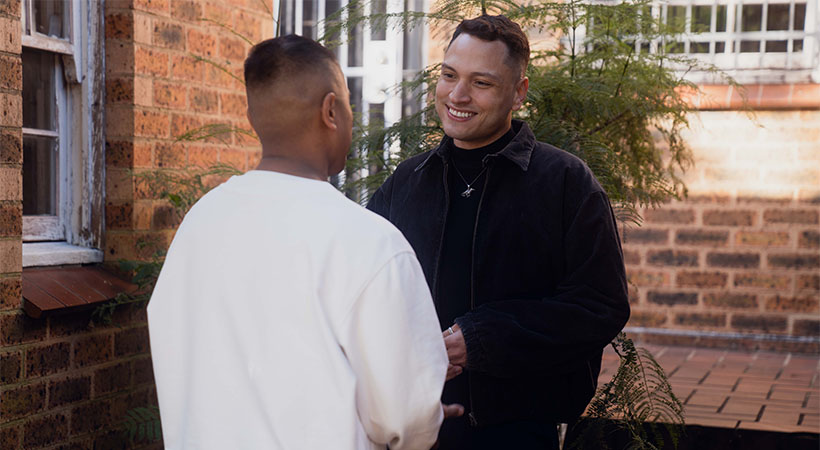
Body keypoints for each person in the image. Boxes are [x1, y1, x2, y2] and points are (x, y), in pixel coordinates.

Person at [147, 35, 454, 450]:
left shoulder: (198, 225)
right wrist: (428, 420)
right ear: (331, 110)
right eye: (347, 103)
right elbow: (406, 419)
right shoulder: (369, 243)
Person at [367, 15, 631, 449]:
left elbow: (600, 306)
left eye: (481, 83)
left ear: (519, 92)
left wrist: (481, 340)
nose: (458, 95)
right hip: (413, 426)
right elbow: (364, 287)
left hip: (520, 430)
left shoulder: (565, 182)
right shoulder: (407, 180)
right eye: (449, 75)